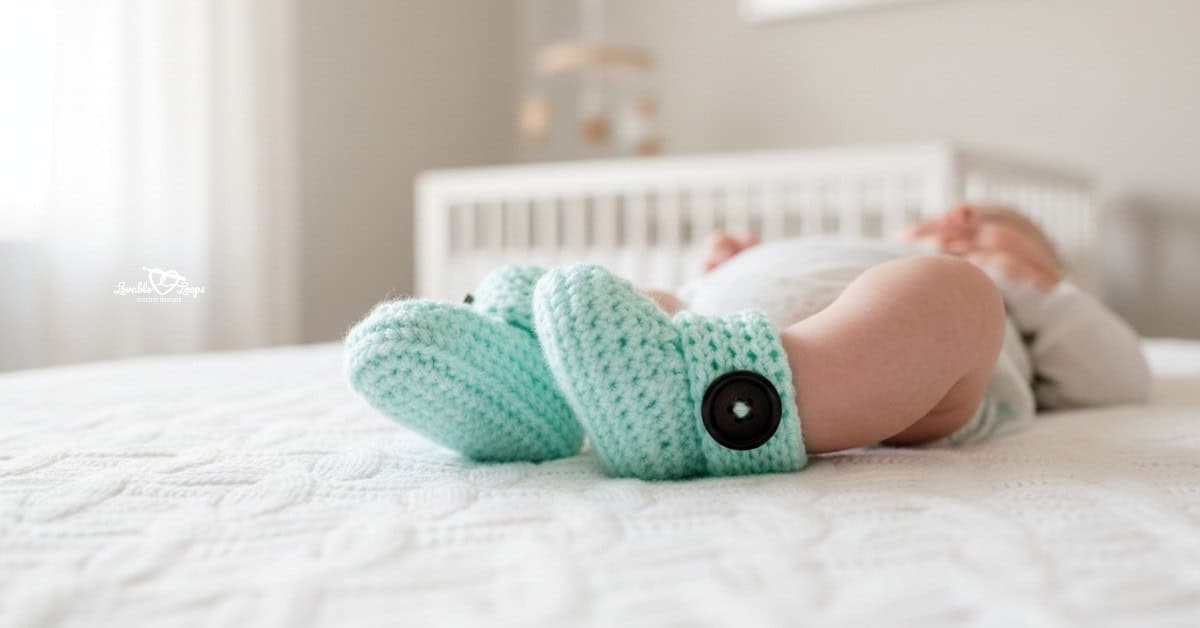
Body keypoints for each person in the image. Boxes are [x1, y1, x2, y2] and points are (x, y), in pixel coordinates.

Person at [345, 205, 1150, 480]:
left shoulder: (1021, 295)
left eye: (992, 224)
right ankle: (533, 381)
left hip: (900, 387)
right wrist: (730, 268)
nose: (960, 221)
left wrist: (1025, 278)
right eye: (944, 218)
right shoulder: (847, 241)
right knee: (637, 304)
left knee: (952, 295)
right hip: (702, 327)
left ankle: (723, 402)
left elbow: (1120, 375)